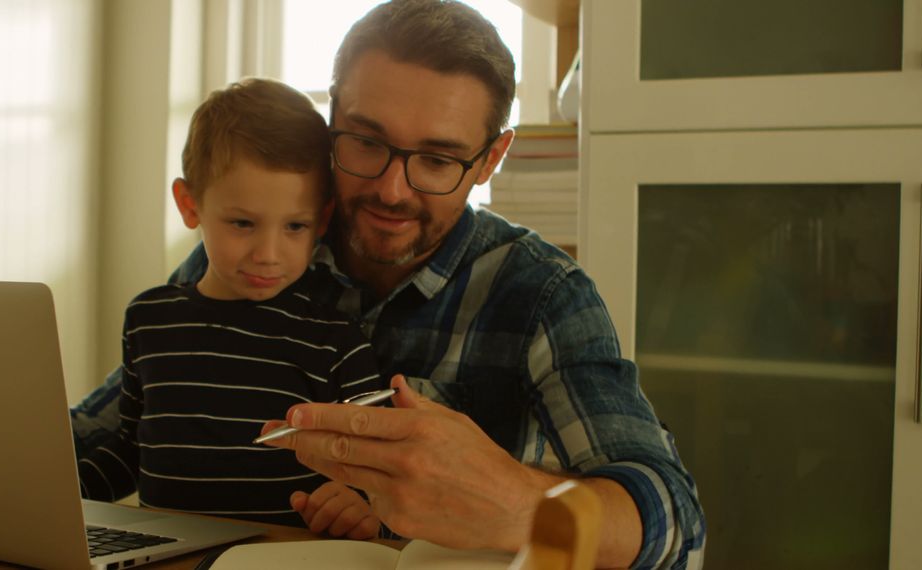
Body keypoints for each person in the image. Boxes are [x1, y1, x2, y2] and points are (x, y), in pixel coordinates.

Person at [72, 1, 706, 567]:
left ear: (490, 158)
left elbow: (677, 523)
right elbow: (108, 431)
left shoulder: (540, 294)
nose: (391, 190)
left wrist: (515, 501)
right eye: (367, 142)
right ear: (332, 119)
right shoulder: (263, 252)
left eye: (436, 158)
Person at [76, 77, 383, 538]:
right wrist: (60, 491)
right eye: (243, 223)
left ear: (322, 221)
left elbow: (374, 472)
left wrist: (359, 502)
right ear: (189, 204)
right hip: (163, 557)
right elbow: (131, 450)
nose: (268, 253)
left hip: (283, 562)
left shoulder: (336, 342)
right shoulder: (149, 321)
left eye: (294, 227)